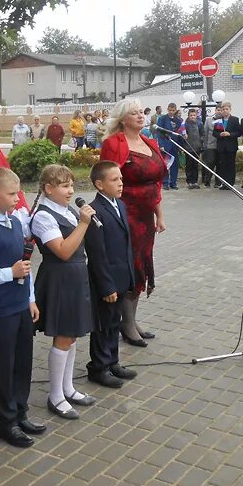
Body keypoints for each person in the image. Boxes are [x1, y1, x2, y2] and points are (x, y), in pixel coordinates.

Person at [0, 168, 44, 448]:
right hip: (0, 309)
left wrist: (30, 297)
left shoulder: (15, 224)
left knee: (23, 362)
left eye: (18, 193)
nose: (18, 199)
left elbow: (24, 266)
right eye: (12, 193)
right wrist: (8, 273)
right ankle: (5, 421)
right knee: (3, 366)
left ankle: (20, 411)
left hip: (20, 306)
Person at [30, 164, 97, 419]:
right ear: (48, 189)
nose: (71, 191)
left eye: (71, 185)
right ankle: (55, 395)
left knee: (74, 334)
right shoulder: (44, 215)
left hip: (76, 276)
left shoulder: (65, 210)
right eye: (65, 186)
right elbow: (64, 250)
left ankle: (68, 388)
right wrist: (83, 223)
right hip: (60, 277)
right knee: (63, 336)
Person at [100, 98, 167, 347]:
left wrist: (159, 215)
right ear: (123, 119)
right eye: (134, 113)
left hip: (145, 216)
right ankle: (125, 323)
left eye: (142, 112)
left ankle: (131, 320)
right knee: (129, 265)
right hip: (124, 213)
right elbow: (106, 179)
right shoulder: (113, 144)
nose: (141, 116)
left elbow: (156, 183)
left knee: (141, 264)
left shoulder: (149, 142)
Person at [84, 161, 137, 389]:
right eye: (114, 180)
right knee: (104, 324)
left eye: (121, 179)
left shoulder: (120, 205)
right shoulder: (96, 211)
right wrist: (106, 286)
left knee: (115, 322)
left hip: (121, 277)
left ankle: (113, 361)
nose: (120, 183)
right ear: (99, 184)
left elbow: (125, 245)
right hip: (106, 281)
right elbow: (97, 253)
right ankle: (99, 366)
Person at [213, 102, 242, 189]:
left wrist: (230, 134)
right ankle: (224, 183)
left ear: (230, 110)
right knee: (223, 165)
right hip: (221, 146)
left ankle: (230, 183)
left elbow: (239, 133)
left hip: (231, 146)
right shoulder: (218, 120)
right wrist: (219, 134)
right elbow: (214, 133)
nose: (225, 111)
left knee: (231, 164)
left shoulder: (235, 119)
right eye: (223, 109)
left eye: (226, 109)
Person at [158, 103, 183, 190]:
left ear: (175, 110)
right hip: (165, 144)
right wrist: (161, 144)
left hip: (174, 145)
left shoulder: (178, 120)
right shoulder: (162, 119)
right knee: (166, 164)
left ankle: (173, 183)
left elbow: (180, 133)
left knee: (174, 165)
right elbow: (159, 132)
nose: (171, 112)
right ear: (167, 109)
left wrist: (180, 146)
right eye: (170, 110)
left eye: (173, 110)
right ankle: (165, 183)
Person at [183, 108, 204, 189]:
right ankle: (189, 182)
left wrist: (201, 140)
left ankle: (195, 181)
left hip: (197, 147)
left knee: (195, 165)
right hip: (188, 147)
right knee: (189, 165)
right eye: (191, 115)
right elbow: (182, 134)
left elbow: (203, 134)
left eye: (194, 115)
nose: (192, 117)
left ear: (196, 115)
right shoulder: (185, 124)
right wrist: (184, 137)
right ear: (188, 116)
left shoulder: (199, 123)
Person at [202, 111, 221, 188]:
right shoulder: (209, 120)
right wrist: (205, 145)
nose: (219, 111)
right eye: (218, 109)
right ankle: (207, 180)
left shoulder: (224, 120)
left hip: (220, 146)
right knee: (210, 163)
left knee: (219, 164)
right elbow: (205, 133)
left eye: (221, 109)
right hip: (210, 146)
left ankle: (218, 182)